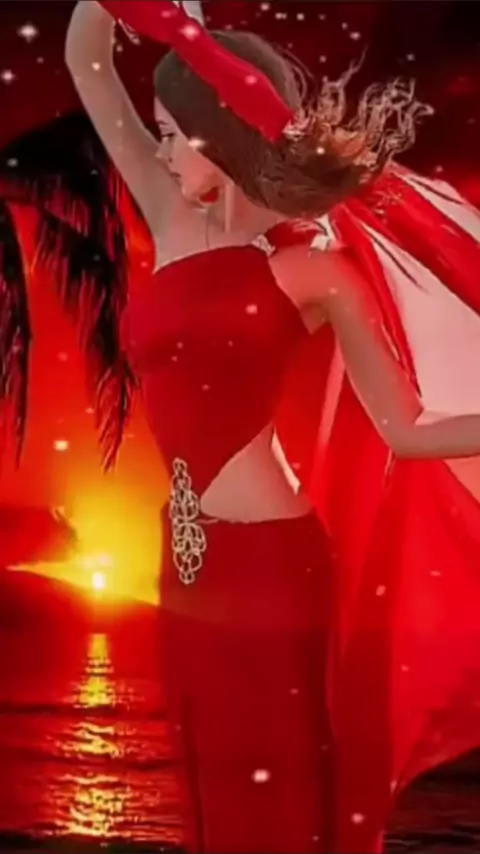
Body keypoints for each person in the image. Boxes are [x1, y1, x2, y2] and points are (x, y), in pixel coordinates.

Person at [3, 0, 480, 851]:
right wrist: (158, 17)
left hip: (272, 569)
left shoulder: (317, 272)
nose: (158, 150)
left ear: (220, 133)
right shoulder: (170, 216)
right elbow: (88, 60)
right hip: (185, 559)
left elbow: (407, 431)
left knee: (280, 792)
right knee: (212, 788)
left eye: (172, 133)